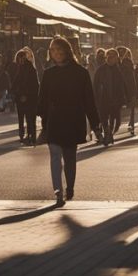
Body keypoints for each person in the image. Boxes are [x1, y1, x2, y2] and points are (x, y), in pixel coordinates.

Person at [37, 36, 101, 207]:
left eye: (59, 50)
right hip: (54, 120)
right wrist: (42, 119)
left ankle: (69, 187)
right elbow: (42, 99)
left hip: (73, 119)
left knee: (70, 158)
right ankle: (58, 190)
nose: (56, 53)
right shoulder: (48, 73)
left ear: (67, 51)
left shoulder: (81, 72)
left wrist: (96, 124)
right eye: (53, 50)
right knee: (55, 156)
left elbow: (89, 100)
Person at [93, 48, 127, 146]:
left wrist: (125, 98)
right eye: (108, 56)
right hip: (103, 99)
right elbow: (95, 85)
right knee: (103, 118)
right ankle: (107, 134)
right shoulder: (101, 70)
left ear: (116, 58)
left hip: (116, 99)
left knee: (115, 120)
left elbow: (124, 84)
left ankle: (110, 133)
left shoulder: (120, 70)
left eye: (112, 56)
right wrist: (96, 98)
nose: (109, 58)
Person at [12, 48, 40, 145]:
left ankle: (30, 135)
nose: (20, 60)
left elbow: (34, 85)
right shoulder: (19, 68)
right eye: (19, 58)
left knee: (29, 118)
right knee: (22, 117)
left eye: (22, 57)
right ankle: (23, 134)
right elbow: (15, 82)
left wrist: (26, 95)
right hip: (21, 97)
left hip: (29, 98)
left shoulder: (30, 68)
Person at [117, 47, 138, 136]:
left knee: (119, 108)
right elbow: (132, 78)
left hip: (122, 88)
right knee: (132, 107)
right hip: (130, 87)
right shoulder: (129, 63)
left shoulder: (119, 64)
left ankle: (118, 124)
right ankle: (132, 124)